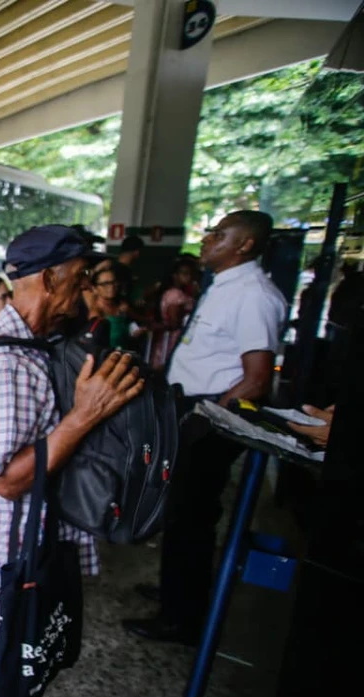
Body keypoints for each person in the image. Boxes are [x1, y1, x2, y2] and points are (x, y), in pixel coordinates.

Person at [0, 225, 143, 697]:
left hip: (38, 529)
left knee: (28, 640)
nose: (85, 291)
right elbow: (9, 479)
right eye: (80, 279)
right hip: (9, 538)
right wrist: (85, 416)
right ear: (49, 278)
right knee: (0, 639)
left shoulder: (37, 344)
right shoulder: (5, 361)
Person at [124, 210, 287, 645]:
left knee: (191, 517)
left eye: (218, 234)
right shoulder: (225, 284)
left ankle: (182, 618)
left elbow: (256, 379)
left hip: (211, 415)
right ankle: (175, 591)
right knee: (179, 513)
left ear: (245, 244)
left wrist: (205, 417)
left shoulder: (254, 294)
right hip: (192, 407)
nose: (207, 239)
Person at [148, 255, 199, 370]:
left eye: (191, 274)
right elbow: (174, 322)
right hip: (173, 339)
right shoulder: (176, 295)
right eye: (184, 273)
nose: (189, 277)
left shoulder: (178, 293)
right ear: (175, 276)